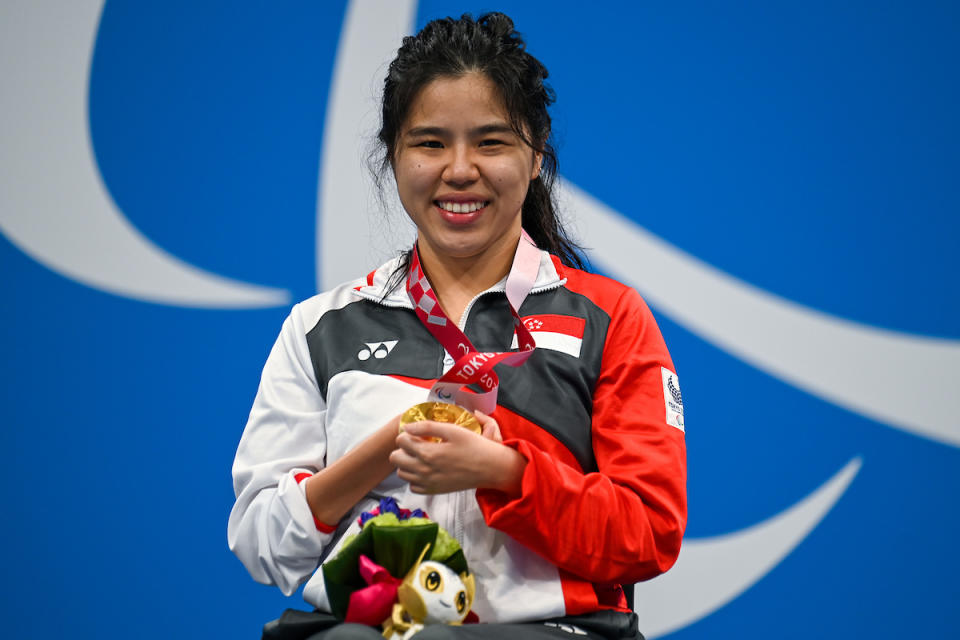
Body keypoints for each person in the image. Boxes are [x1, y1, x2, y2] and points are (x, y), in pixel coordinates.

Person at [228, 12, 686, 640]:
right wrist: (378, 454)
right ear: (393, 157)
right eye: (430, 142)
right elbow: (261, 545)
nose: (460, 169)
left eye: (491, 142)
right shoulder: (320, 329)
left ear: (535, 158)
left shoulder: (610, 319)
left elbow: (648, 534)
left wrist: (506, 472)